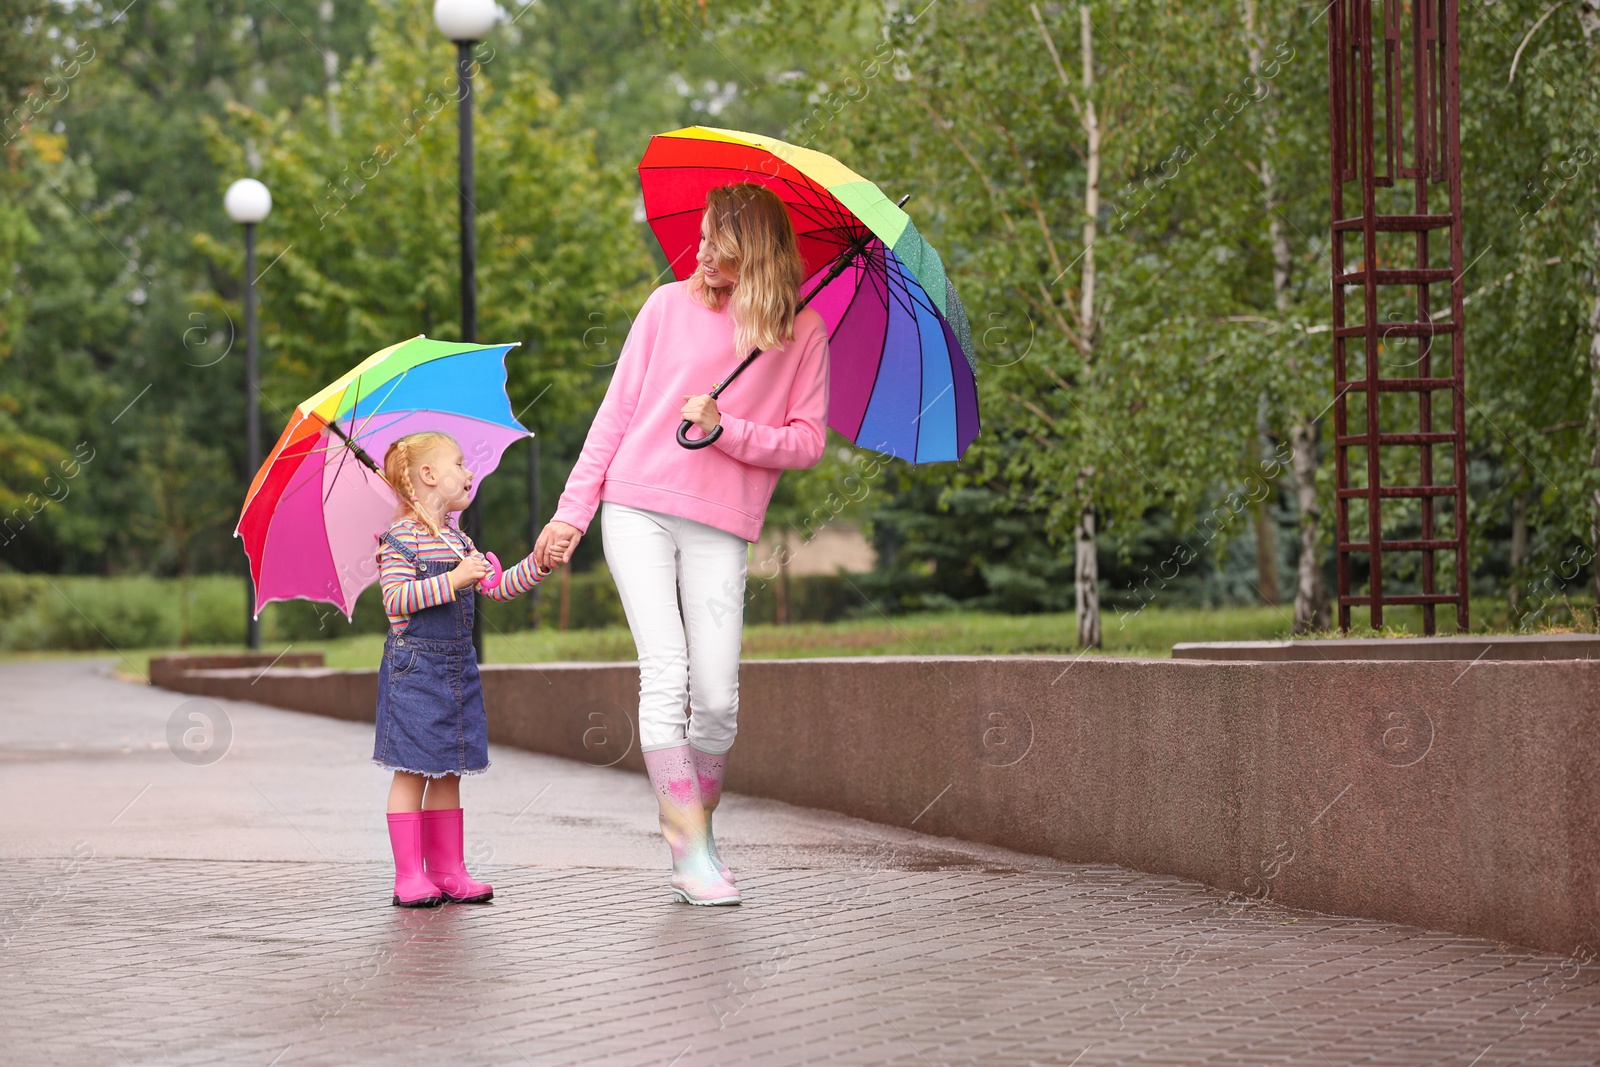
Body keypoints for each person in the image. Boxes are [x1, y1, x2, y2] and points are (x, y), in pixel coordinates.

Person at [535, 182, 830, 906]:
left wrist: (727, 426)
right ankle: (690, 852)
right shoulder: (666, 306)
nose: (698, 255)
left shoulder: (802, 334)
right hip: (635, 506)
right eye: (699, 239)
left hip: (722, 523)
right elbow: (616, 414)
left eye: (716, 248)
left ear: (752, 255)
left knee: (719, 698)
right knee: (664, 674)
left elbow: (808, 443)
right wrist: (572, 510)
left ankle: (699, 829)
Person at [376, 430, 559, 907]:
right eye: (458, 463)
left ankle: (448, 869)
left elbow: (495, 586)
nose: (469, 471)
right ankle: (408, 876)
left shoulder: (459, 540)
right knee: (413, 771)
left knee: (450, 770)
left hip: (456, 671)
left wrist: (536, 565)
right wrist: (453, 580)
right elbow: (396, 601)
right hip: (415, 670)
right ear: (429, 475)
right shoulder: (399, 541)